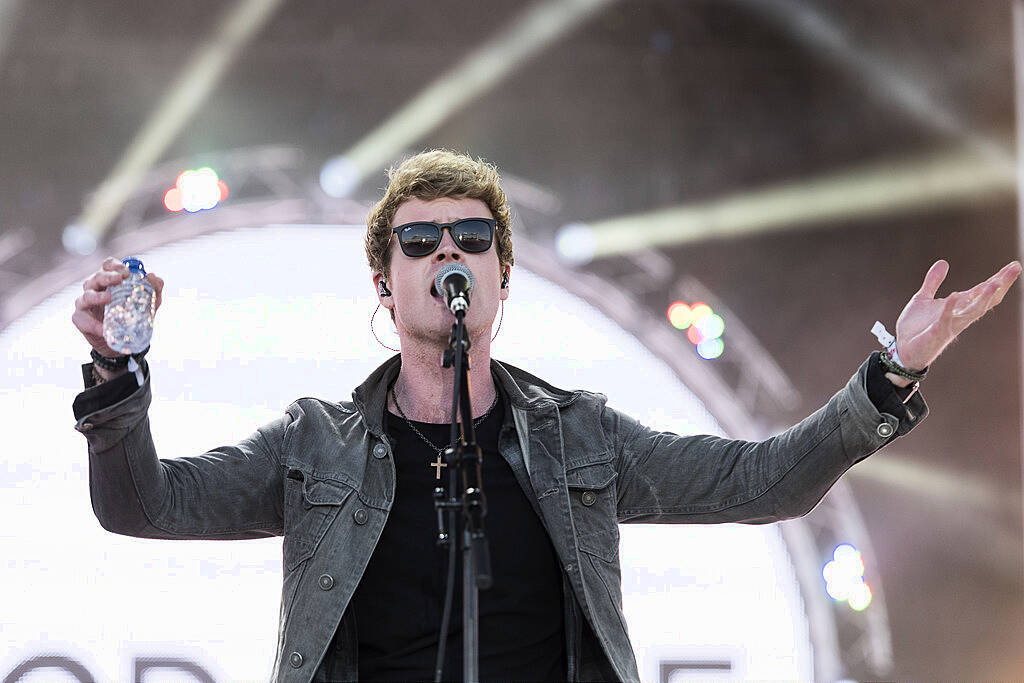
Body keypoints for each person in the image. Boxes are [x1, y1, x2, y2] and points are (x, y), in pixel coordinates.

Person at [71, 149, 1021, 683]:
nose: (451, 250)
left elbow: (762, 480)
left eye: (473, 237)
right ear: (384, 279)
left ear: (502, 274)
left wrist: (893, 370)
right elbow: (143, 504)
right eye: (421, 239)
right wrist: (117, 372)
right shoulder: (315, 444)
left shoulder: (580, 435)